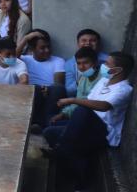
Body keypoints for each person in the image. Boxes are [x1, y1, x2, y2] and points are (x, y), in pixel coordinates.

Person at [47, 52, 133, 190]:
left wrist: (73, 100)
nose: (103, 66)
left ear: (117, 70)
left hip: (103, 130)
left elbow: (104, 106)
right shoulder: (104, 81)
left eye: (107, 64)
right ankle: (63, 153)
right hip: (84, 125)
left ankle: (77, 180)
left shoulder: (124, 89)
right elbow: (88, 100)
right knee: (50, 132)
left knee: (82, 112)